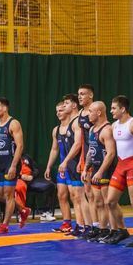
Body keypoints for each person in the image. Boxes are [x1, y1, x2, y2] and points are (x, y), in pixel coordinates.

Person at [0, 97, 30, 234]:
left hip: (11, 163)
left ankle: (4, 226)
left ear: (4, 108)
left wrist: (14, 166)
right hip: (1, 163)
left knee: (8, 195)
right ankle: (22, 209)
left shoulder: (13, 123)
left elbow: (20, 146)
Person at [105, 95, 133, 246]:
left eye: (114, 108)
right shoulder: (114, 126)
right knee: (110, 201)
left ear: (123, 109)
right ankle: (122, 230)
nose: (111, 111)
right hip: (121, 164)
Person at [81, 101, 116, 243]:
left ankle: (112, 230)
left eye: (91, 111)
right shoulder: (92, 129)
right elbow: (91, 151)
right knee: (98, 202)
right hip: (95, 169)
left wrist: (101, 171)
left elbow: (111, 153)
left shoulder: (107, 129)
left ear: (99, 112)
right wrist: (85, 168)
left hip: (106, 170)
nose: (88, 114)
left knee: (108, 202)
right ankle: (101, 229)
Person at [54, 95, 86, 233]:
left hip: (77, 163)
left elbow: (80, 144)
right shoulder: (63, 126)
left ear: (74, 105)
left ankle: (89, 226)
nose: (63, 107)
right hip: (71, 164)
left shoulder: (77, 121)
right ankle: (80, 225)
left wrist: (79, 161)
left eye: (66, 104)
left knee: (83, 198)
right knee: (76, 197)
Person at [45, 102, 76, 231]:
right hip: (62, 168)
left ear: (68, 110)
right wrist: (48, 166)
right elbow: (54, 149)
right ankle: (67, 223)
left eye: (61, 110)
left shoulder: (74, 127)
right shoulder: (56, 130)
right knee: (61, 195)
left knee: (75, 197)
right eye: (57, 111)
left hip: (73, 166)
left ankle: (85, 224)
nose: (58, 113)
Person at [77, 84, 96, 230]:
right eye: (79, 94)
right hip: (86, 156)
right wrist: (81, 159)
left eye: (83, 94)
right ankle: (90, 226)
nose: (80, 97)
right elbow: (82, 140)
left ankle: (99, 226)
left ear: (91, 95)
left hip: (97, 156)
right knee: (87, 193)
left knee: (97, 195)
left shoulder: (94, 111)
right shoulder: (80, 113)